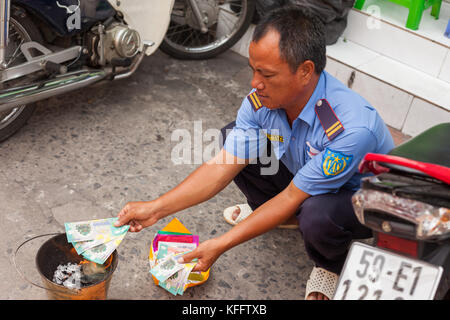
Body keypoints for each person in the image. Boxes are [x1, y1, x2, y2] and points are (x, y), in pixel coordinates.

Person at [114, 5, 395, 300]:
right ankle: (280, 216)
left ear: (305, 72)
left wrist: (220, 244)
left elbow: (291, 196)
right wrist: (155, 208)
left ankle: (330, 263)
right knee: (232, 139)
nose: (254, 83)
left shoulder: (349, 128)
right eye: (253, 69)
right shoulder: (261, 102)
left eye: (267, 74)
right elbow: (222, 167)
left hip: (360, 202)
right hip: (305, 175)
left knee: (316, 214)